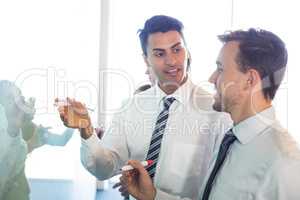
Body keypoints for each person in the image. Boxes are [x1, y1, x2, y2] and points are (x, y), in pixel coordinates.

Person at [57, 15, 232, 200]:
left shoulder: (216, 112)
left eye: (177, 49)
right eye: (159, 54)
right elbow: (104, 169)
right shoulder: (130, 107)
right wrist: (86, 131)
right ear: (146, 59)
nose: (172, 61)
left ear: (187, 51)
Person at [120, 28, 300, 200]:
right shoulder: (230, 140)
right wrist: (153, 196)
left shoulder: (285, 163)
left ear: (249, 80)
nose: (212, 78)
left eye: (220, 69)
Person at [0, 80, 74, 200]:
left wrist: (74, 123)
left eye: (19, 96)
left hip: (18, 194)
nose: (19, 101)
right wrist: (31, 144)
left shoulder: (29, 127)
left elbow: (61, 140)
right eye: (10, 98)